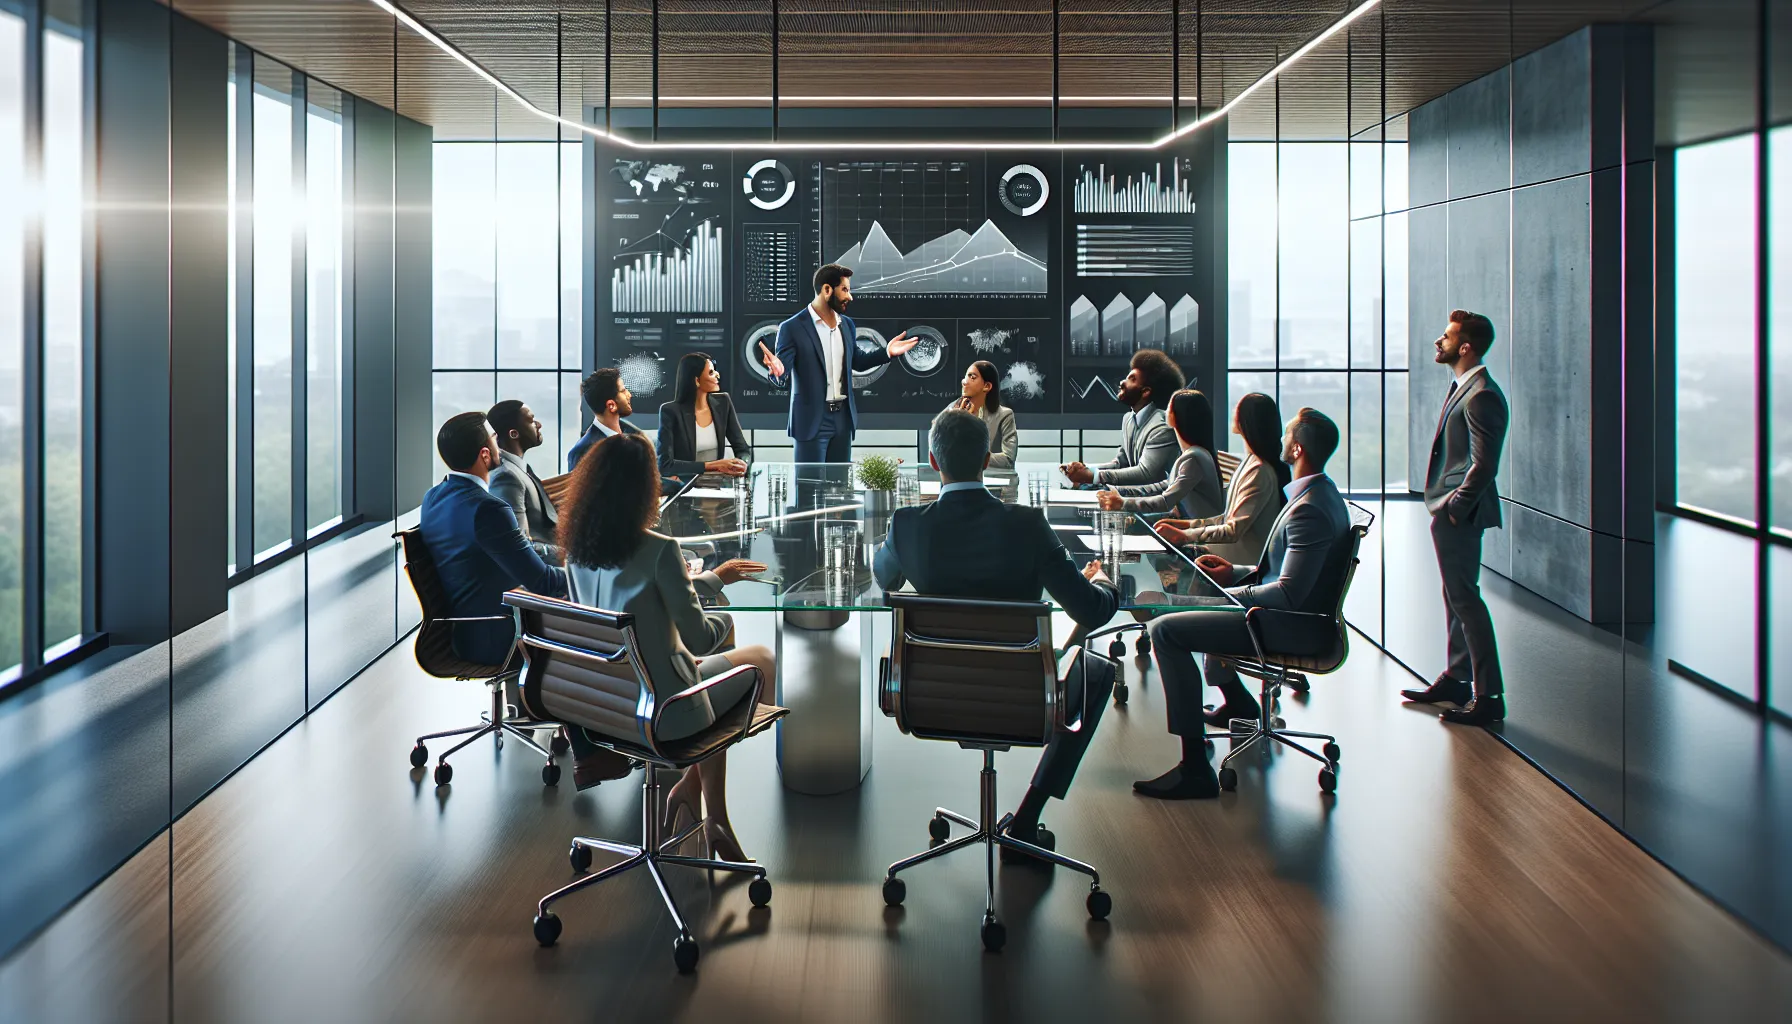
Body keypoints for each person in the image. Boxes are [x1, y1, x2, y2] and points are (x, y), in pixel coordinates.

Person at [873, 409, 1119, 853]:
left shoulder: (908, 524)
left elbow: (884, 579)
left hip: (930, 695)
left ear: (933, 460)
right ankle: (1027, 817)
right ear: (987, 460)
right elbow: (1092, 611)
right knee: (1098, 670)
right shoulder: (1027, 524)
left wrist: (893, 541)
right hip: (1022, 698)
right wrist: (1104, 581)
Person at [558, 431, 773, 851]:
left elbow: (625, 608)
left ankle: (693, 793)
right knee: (761, 658)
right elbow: (700, 638)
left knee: (713, 652)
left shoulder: (578, 550)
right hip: (667, 709)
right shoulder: (660, 550)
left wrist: (703, 582)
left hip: (607, 702)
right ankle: (713, 813)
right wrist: (709, 603)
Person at [1133, 408, 1354, 800]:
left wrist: (1225, 597)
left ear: (1297, 449)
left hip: (1283, 624)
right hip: (1280, 615)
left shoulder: (1309, 509)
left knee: (1165, 631)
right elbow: (1287, 573)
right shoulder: (1319, 494)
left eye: (1288, 434)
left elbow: (1287, 594)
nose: (1282, 438)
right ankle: (1232, 707)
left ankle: (1194, 769)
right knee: (1174, 613)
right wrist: (1234, 571)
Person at [1401, 309, 1509, 726]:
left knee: (1466, 599)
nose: (1438, 341)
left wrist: (1456, 508)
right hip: (1451, 509)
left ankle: (1490, 697)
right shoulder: (1464, 387)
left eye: (1446, 337)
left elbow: (1485, 465)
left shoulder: (1481, 394)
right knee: (1455, 596)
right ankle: (1457, 679)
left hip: (1460, 513)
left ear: (1465, 347)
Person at [418, 412, 568, 666]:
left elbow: (507, 550)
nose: (500, 444)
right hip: (500, 635)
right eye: (494, 438)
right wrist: (587, 573)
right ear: (485, 454)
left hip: (463, 634)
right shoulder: (489, 509)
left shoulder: (433, 497)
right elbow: (543, 581)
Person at [756, 263, 918, 463]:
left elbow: (857, 361)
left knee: (840, 481)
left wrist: (887, 352)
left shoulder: (847, 324)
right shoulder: (791, 328)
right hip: (811, 421)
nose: (850, 297)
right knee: (809, 481)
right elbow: (782, 371)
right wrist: (777, 372)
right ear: (827, 290)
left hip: (843, 419)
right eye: (845, 290)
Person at [1152, 391, 1289, 564]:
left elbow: (1232, 531)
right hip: (1228, 554)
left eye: (1238, 408)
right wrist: (1186, 525)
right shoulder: (1250, 463)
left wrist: (1184, 535)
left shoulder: (1259, 471)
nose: (1233, 410)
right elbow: (1226, 518)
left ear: (1247, 419)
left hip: (1239, 563)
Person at [1061, 349, 1184, 488]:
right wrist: (1084, 468)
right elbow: (1121, 463)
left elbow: (1146, 473)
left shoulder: (1162, 427)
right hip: (1136, 496)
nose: (1122, 382)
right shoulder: (1128, 419)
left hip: (1160, 499)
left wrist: (1093, 476)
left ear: (1145, 392)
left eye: (1132, 379)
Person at [1095, 388, 1223, 519]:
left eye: (1169, 408)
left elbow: (1165, 501)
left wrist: (1123, 503)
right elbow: (1163, 486)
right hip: (1185, 521)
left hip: (1196, 528)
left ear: (1177, 416)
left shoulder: (1193, 458)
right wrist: (1117, 490)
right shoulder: (1190, 454)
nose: (1165, 411)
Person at [566, 367, 683, 494]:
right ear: (611, 405)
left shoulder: (632, 434)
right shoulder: (583, 452)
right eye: (623, 391)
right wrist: (673, 485)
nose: (629, 395)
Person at [485, 399, 561, 563]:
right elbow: (518, 545)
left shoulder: (518, 469)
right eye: (531, 421)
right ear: (514, 434)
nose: (538, 424)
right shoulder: (506, 476)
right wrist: (570, 556)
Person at [657, 353, 751, 481]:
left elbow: (742, 449)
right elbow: (665, 465)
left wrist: (743, 463)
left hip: (718, 484)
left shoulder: (723, 403)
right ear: (697, 380)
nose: (717, 375)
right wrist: (714, 466)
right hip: (685, 485)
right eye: (711, 372)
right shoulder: (670, 411)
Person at [942, 360, 1018, 469]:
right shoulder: (952, 411)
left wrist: (971, 456)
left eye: (972, 377)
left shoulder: (1005, 415)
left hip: (992, 479)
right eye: (965, 377)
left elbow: (1008, 459)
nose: (964, 382)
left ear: (987, 386)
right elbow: (940, 452)